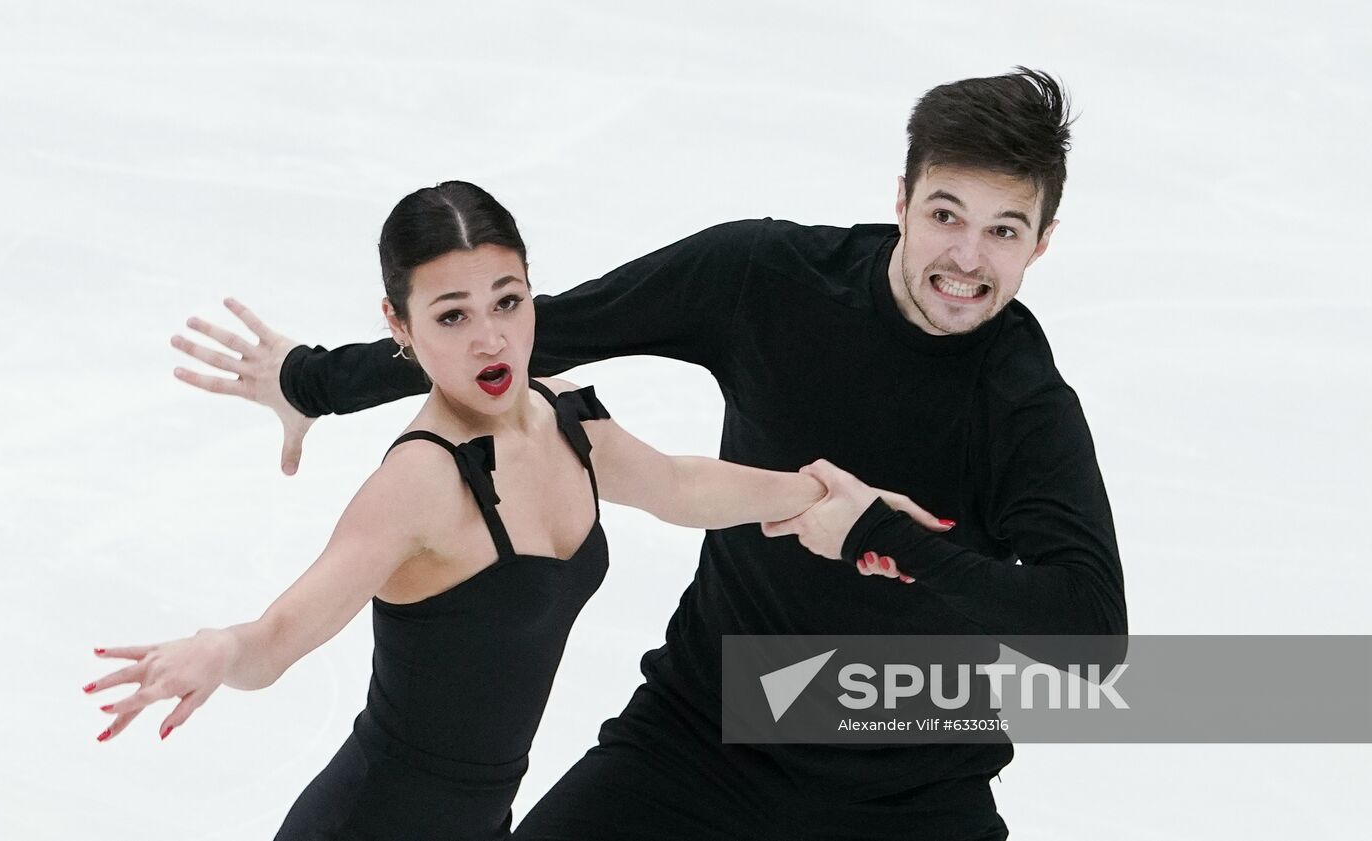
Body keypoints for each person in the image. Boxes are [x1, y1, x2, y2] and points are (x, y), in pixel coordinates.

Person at [168, 69, 1126, 839]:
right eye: (947, 214)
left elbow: (1091, 638)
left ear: (1041, 244)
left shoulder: (1024, 405)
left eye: (1004, 231)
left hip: (912, 789)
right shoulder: (768, 280)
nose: (966, 257)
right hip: (701, 738)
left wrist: (882, 534)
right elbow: (532, 332)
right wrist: (319, 381)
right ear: (905, 198)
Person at [84, 181, 946, 840]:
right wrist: (218, 648)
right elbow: (279, 637)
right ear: (401, 327)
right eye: (452, 315)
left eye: (508, 300)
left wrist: (830, 499)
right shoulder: (420, 481)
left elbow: (678, 487)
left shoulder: (565, 414)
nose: (491, 338)